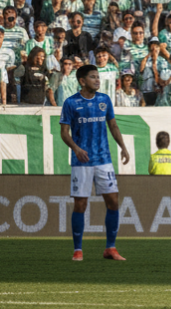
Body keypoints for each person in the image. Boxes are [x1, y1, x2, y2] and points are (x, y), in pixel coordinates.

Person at [58, 64, 130, 262]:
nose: (97, 80)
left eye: (98, 77)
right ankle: (78, 250)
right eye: (93, 77)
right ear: (82, 81)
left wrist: (123, 147)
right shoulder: (71, 103)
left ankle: (110, 248)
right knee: (80, 203)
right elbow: (64, 133)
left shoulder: (104, 100)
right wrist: (76, 148)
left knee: (113, 201)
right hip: (82, 161)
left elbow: (113, 125)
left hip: (104, 160)